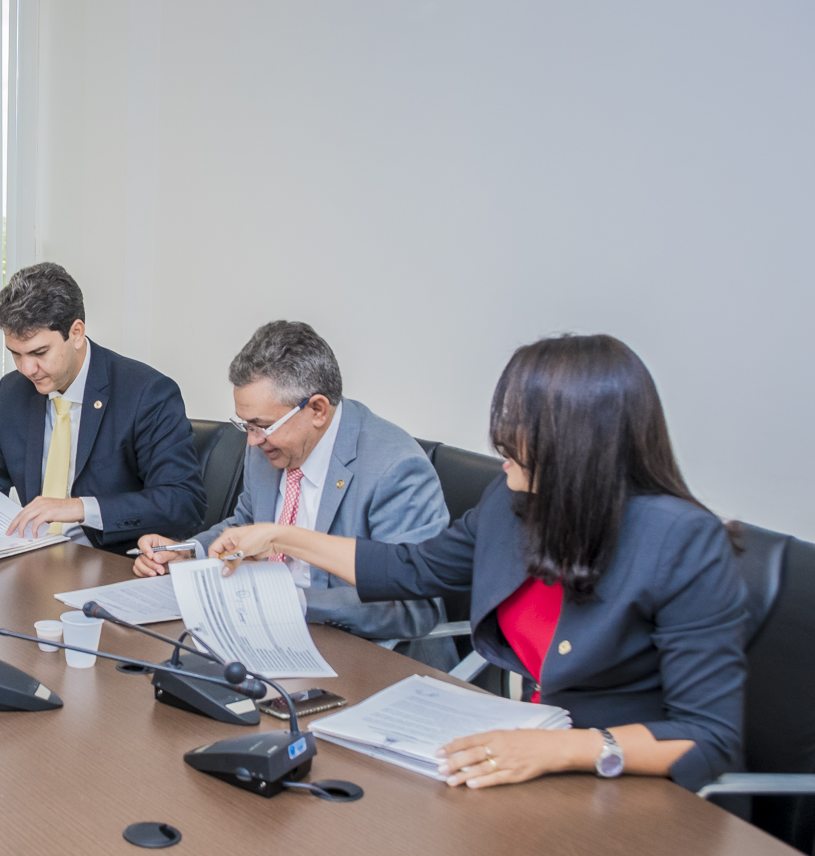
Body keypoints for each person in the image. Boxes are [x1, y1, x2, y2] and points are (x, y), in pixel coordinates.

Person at [207, 334, 746, 793]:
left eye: (516, 423)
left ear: (578, 440)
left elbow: (707, 737)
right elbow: (410, 567)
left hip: (619, 779)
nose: (496, 439)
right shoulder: (511, 505)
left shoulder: (683, 542)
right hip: (522, 755)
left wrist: (557, 751)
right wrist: (282, 537)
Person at [134, 321, 455, 668]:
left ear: (317, 409)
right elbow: (246, 522)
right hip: (265, 641)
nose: (252, 441)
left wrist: (292, 602)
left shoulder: (395, 467)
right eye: (246, 426)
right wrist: (188, 551)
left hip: (372, 661)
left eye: (262, 426)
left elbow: (413, 607)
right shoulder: (267, 444)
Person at [0, 262, 204, 552]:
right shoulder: (13, 392)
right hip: (34, 565)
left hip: (112, 567)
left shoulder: (145, 393)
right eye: (16, 354)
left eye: (39, 352)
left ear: (76, 332)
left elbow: (184, 503)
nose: (26, 369)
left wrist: (79, 508)